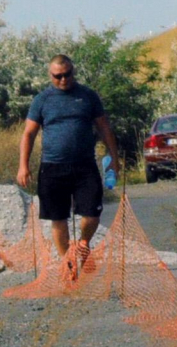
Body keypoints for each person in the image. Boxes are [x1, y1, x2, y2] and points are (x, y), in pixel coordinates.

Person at [18, 53, 118, 269]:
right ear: (50, 75)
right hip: (53, 167)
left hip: (85, 166)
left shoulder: (88, 96)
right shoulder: (42, 100)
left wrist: (114, 160)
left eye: (67, 74)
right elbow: (28, 134)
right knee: (58, 218)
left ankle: (83, 244)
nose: (63, 80)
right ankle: (68, 264)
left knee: (91, 214)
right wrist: (23, 166)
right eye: (58, 76)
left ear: (73, 72)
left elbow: (104, 128)